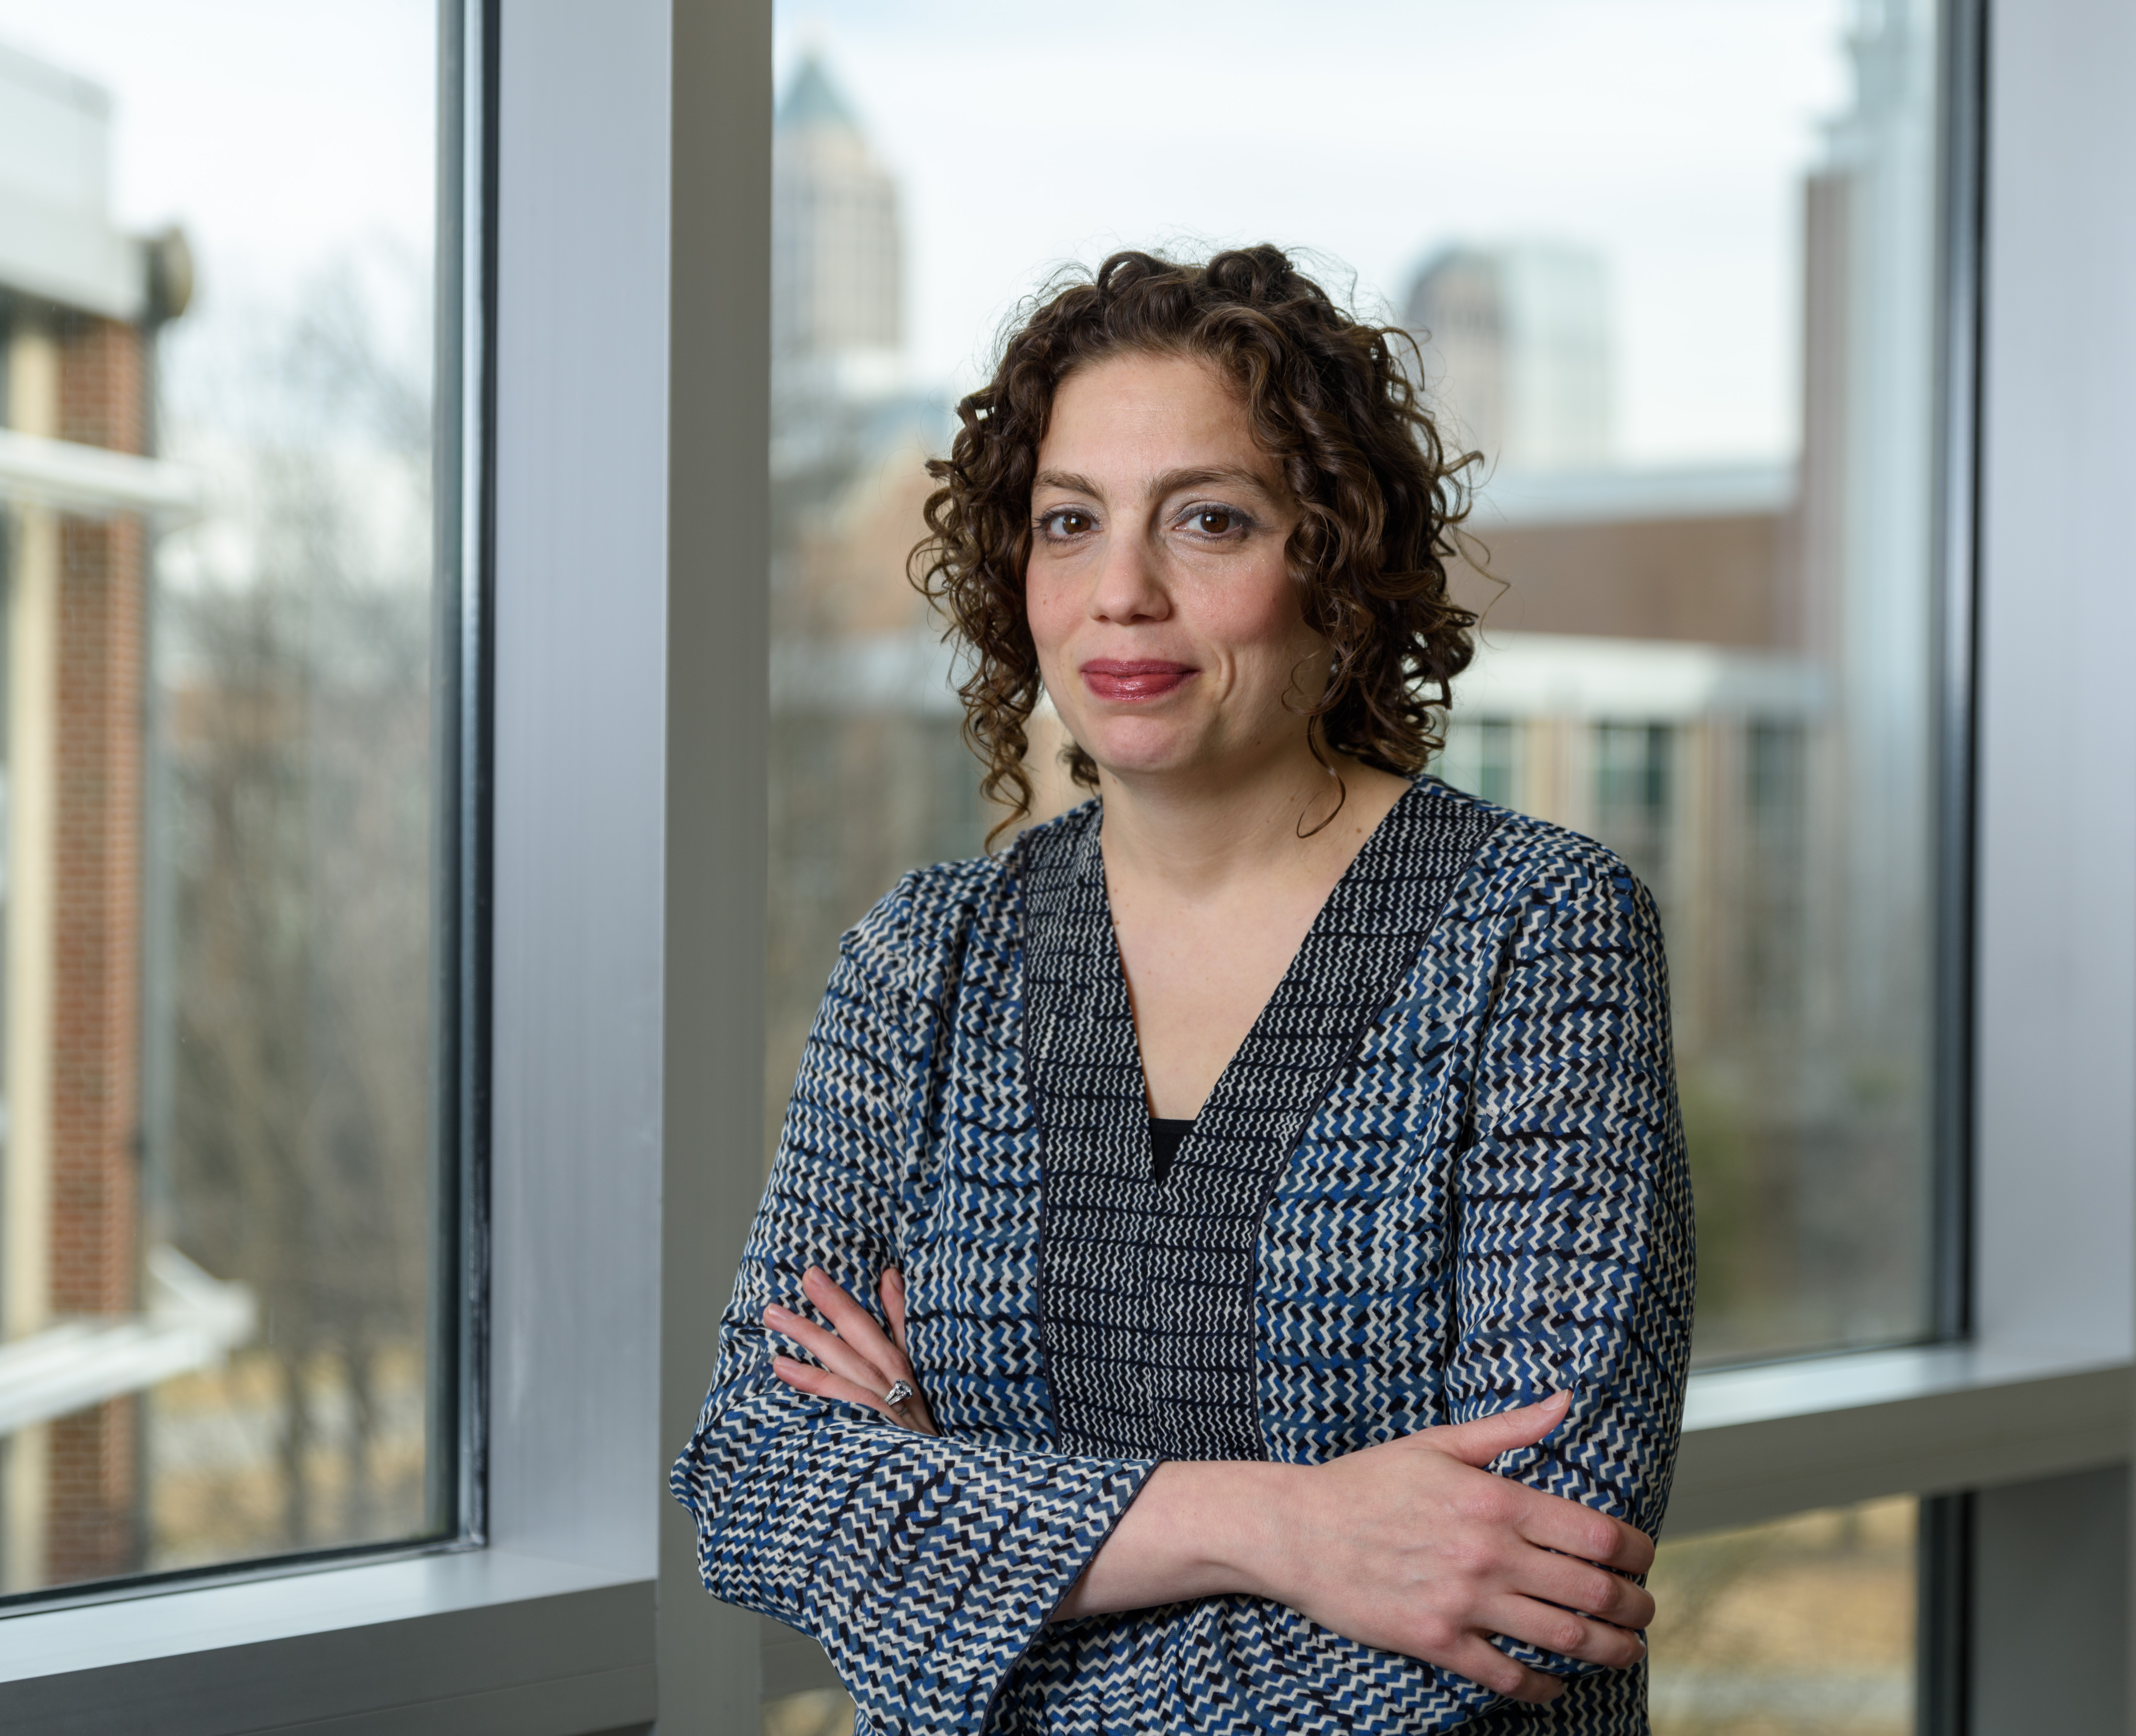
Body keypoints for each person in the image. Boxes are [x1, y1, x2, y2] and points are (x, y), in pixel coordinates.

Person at [672, 246, 1693, 1734]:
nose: (1123, 593)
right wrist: (1280, 1525)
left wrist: (956, 1531)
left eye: (1208, 521)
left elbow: (1522, 1576)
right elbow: (757, 1477)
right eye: (1068, 523)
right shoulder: (926, 960)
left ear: (1335, 556)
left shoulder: (1537, 935)